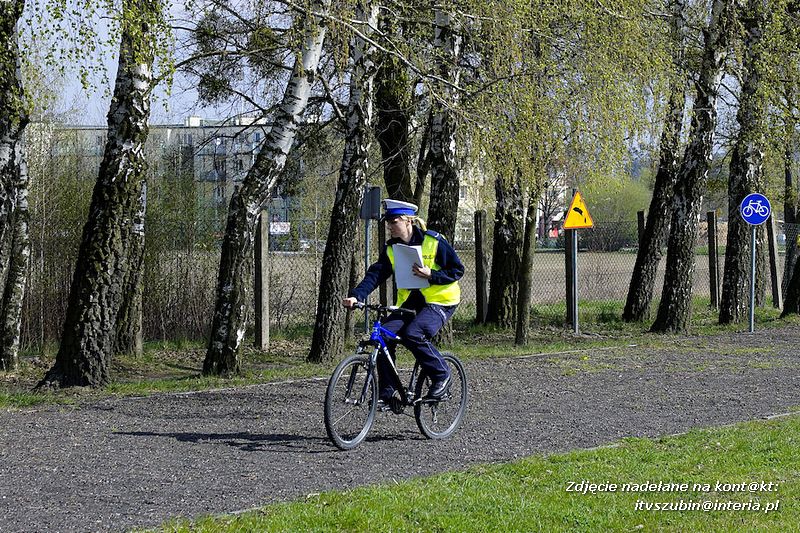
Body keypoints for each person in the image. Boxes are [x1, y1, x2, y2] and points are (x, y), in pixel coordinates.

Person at [342, 199, 464, 404]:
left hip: (441, 301)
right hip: (412, 302)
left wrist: (431, 274)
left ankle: (441, 374)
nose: (389, 226)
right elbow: (376, 274)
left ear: (408, 221)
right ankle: (387, 392)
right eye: (388, 222)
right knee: (382, 335)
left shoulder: (433, 241)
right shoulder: (392, 249)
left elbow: (457, 270)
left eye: (393, 221)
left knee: (413, 333)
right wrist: (357, 295)